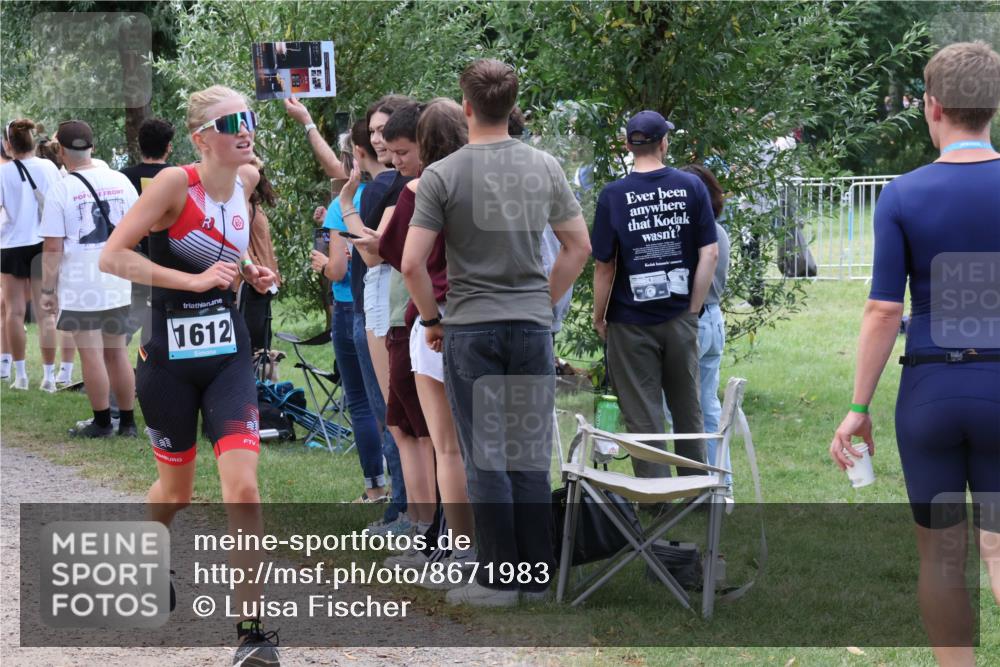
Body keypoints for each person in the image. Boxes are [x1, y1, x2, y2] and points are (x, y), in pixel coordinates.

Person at [830, 41, 1000, 666]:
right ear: (993, 106)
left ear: (932, 107)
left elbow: (882, 310)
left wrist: (857, 406)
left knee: (942, 555)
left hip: (931, 389)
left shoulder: (902, 196)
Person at [99, 85, 280, 665]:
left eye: (248, 118)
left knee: (243, 489)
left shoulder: (247, 181)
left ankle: (251, 634)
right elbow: (114, 255)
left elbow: (222, 251)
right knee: (175, 491)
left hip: (228, 357)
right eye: (231, 123)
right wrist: (193, 282)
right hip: (167, 364)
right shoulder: (175, 184)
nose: (244, 130)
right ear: (202, 138)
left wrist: (248, 271)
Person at [404, 59, 591, 606]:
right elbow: (578, 247)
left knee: (485, 455)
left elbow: (413, 264)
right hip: (531, 327)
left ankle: (498, 579)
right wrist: (542, 299)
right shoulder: (545, 166)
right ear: (513, 104)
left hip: (471, 327)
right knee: (528, 454)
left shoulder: (443, 174)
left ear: (465, 107)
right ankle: (536, 577)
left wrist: (433, 319)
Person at [364, 98, 476, 575]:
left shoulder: (420, 188)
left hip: (436, 317)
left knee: (446, 445)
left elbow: (400, 259)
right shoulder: (496, 182)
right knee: (489, 444)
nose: (393, 160)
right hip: (495, 314)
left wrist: (429, 320)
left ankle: (459, 548)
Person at [591, 111, 719, 479]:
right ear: (664, 143)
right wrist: (692, 309)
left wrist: (599, 316)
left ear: (630, 146)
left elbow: (605, 266)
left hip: (629, 322)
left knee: (642, 411)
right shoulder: (691, 187)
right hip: (680, 316)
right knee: (687, 405)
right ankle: (696, 489)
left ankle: (656, 499)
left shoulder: (613, 195)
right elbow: (708, 253)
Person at [350, 102, 436, 550]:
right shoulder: (408, 186)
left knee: (417, 427)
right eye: (377, 133)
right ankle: (419, 520)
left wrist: (346, 206)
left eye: (399, 145)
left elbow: (381, 252)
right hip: (407, 312)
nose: (387, 148)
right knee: (404, 421)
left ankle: (424, 520)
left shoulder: (414, 189)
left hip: (410, 312)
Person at [38, 120, 139, 437]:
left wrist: (47, 289)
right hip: (118, 279)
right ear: (91, 146)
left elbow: (53, 246)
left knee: (92, 354)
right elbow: (136, 229)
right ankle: (129, 422)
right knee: (118, 353)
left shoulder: (62, 188)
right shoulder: (120, 180)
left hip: (82, 284)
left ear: (62, 152)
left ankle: (101, 422)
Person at [309, 131, 388, 505]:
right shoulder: (389, 192)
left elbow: (339, 270)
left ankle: (375, 485)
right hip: (387, 305)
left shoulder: (344, 204)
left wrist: (323, 263)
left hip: (349, 307)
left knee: (360, 400)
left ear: (352, 160)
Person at [679, 163, 731, 486]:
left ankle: (693, 482)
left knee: (681, 408)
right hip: (715, 319)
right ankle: (722, 483)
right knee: (709, 404)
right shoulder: (719, 230)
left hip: (695, 320)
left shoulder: (695, 234)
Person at [0, 118, 61, 391]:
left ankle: (21, 376)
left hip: (11, 245)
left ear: (7, 145)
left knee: (13, 312)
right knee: (46, 311)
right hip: (43, 243)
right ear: (33, 142)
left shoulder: (3, 173)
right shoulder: (49, 167)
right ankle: (48, 377)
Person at [238, 158, 281, 351]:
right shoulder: (242, 205)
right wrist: (253, 269)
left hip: (262, 283)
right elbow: (240, 244)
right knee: (255, 347)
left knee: (261, 344)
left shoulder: (253, 205)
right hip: (252, 284)